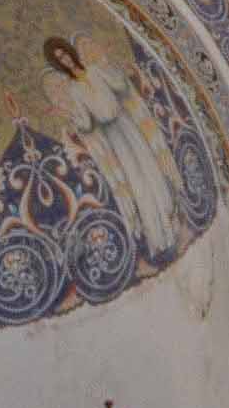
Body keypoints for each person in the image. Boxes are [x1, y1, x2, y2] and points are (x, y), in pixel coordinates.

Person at [44, 33, 184, 256]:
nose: (65, 60)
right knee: (135, 180)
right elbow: (86, 123)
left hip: (126, 122)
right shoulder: (74, 90)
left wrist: (109, 65)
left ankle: (171, 220)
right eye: (60, 59)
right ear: (58, 65)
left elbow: (121, 87)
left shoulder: (95, 71)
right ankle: (157, 236)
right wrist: (67, 114)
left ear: (71, 52)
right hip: (112, 136)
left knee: (150, 167)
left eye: (65, 54)